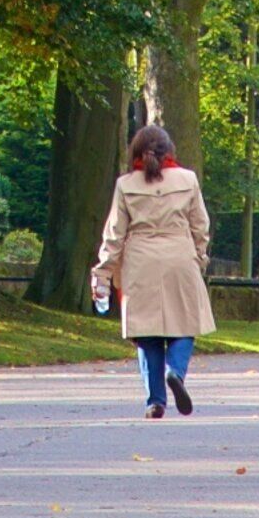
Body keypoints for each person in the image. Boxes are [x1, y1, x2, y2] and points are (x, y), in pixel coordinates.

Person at [91, 123, 215, 417]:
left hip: (140, 261)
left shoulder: (126, 185)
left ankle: (155, 401)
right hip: (179, 257)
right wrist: (199, 257)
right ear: (169, 150)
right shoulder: (188, 179)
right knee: (185, 324)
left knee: (146, 333)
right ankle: (176, 371)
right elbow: (200, 225)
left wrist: (103, 273)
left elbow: (114, 234)